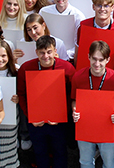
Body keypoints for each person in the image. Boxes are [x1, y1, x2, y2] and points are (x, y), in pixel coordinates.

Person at [16, 36, 75, 168]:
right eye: (42, 52)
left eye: (49, 52)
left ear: (55, 51)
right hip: (36, 121)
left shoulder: (68, 68)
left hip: (59, 121)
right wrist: (30, 116)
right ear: (36, 52)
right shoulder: (26, 68)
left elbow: (72, 95)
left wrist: (62, 115)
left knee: (60, 152)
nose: (46, 56)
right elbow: (21, 94)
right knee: (40, 152)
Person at [72, 40, 114, 168]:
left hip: (107, 127)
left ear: (107, 60)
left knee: (109, 162)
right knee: (85, 161)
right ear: (88, 57)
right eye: (94, 59)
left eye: (101, 60)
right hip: (85, 126)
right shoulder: (78, 77)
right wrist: (75, 110)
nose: (97, 64)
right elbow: (74, 100)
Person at [0, 41, 20, 168]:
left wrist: (18, 98)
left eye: (3, 56)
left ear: (9, 56)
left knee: (9, 146)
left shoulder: (16, 71)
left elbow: (24, 91)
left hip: (10, 116)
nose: (0, 59)